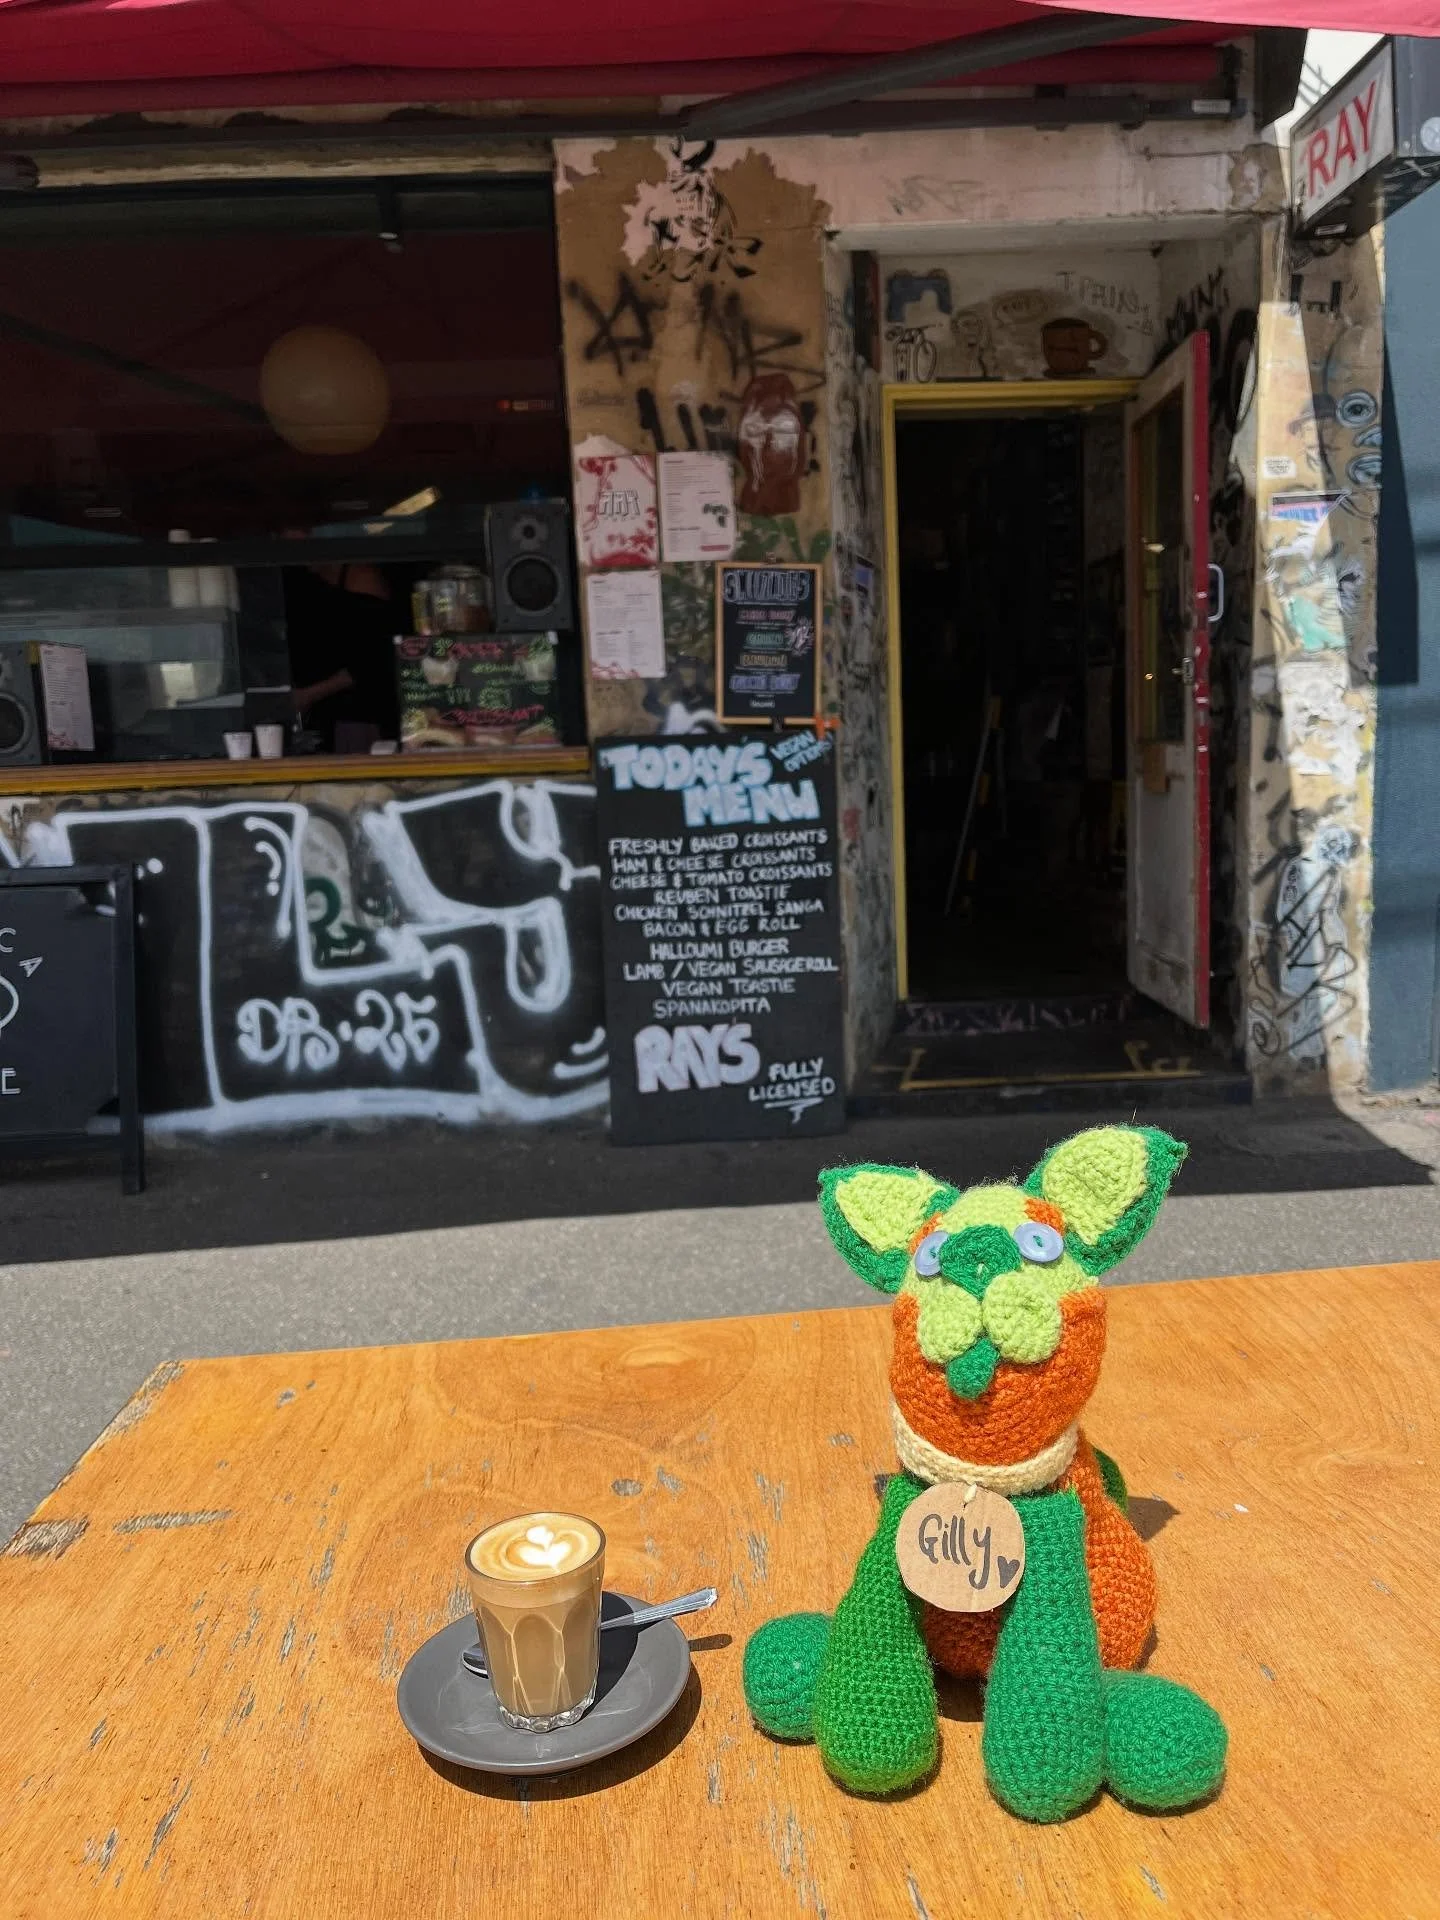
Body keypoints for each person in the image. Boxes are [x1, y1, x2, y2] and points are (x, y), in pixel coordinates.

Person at [285, 560, 400, 750]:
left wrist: (308, 695)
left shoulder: (363, 578)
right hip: (321, 718)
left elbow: (371, 658)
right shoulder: (304, 580)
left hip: (358, 716)